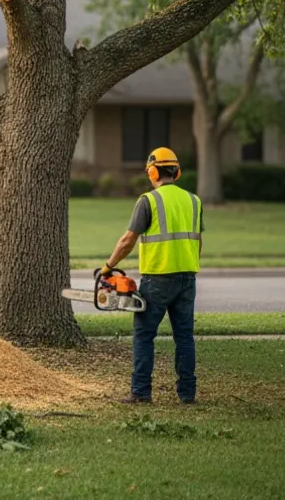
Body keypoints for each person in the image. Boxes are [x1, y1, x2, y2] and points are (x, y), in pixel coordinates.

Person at [102, 147, 204, 404]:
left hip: (158, 277)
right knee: (184, 337)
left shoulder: (148, 201)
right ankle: (187, 395)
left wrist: (107, 266)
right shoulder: (194, 200)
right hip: (187, 277)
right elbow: (197, 241)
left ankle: (141, 392)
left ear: (153, 171)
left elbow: (128, 241)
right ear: (177, 172)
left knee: (145, 335)